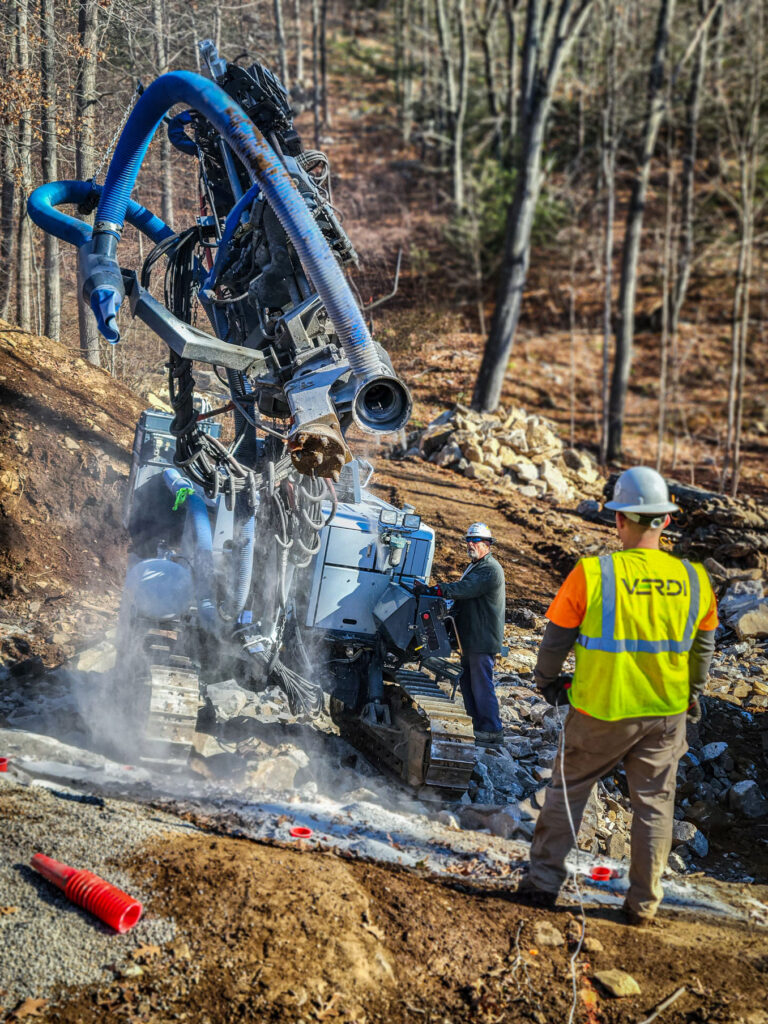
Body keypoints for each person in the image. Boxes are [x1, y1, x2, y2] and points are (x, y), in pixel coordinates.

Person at [520, 466, 718, 924]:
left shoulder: (593, 574)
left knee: (567, 792)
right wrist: (694, 690)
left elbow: (555, 642)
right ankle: (644, 904)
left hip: (599, 710)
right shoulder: (694, 579)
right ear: (665, 521)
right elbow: (703, 645)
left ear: (619, 520)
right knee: (653, 806)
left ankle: (543, 883)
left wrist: (547, 681)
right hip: (665, 714)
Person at [416, 522, 506, 747]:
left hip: (481, 637)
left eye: (475, 541)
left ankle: (492, 729)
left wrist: (437, 589)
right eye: (468, 540)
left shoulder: (489, 569)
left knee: (481, 683)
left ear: (487, 544)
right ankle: (478, 725)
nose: (470, 544)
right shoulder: (477, 566)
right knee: (468, 681)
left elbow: (464, 589)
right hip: (470, 637)